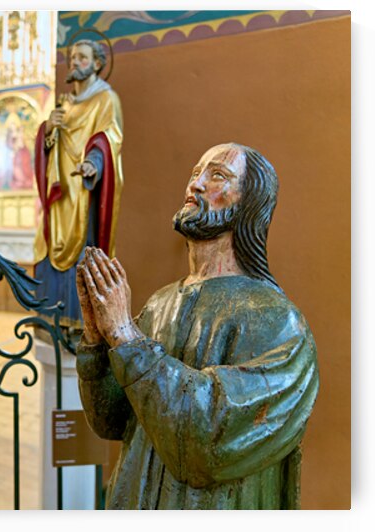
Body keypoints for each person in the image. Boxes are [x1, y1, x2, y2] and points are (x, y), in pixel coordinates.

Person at [75, 143, 319, 509]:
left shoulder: (280, 322)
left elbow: (208, 439)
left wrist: (125, 336)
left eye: (217, 175)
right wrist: (97, 341)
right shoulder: (160, 303)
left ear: (248, 204)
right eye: (195, 174)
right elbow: (112, 421)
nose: (196, 185)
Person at [32, 39, 124, 328]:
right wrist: (48, 130)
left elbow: (110, 138)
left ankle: (78, 323)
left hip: (84, 193)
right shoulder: (63, 103)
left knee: (81, 252)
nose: (74, 62)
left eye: (81, 57)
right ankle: (49, 317)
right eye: (72, 57)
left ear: (97, 63)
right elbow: (50, 145)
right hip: (58, 193)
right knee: (49, 247)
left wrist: (93, 164)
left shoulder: (106, 99)